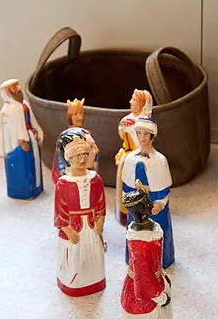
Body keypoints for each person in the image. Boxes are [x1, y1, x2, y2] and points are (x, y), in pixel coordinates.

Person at [120, 182, 173, 319]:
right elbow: (143, 277)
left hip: (155, 280)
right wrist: (159, 295)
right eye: (147, 203)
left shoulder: (149, 230)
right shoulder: (141, 242)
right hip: (145, 293)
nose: (151, 205)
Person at [54, 127, 106, 297]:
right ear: (69, 158)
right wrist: (68, 230)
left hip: (91, 225)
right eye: (77, 156)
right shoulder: (63, 183)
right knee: (75, 256)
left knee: (93, 254)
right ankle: (74, 283)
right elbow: (60, 211)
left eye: (85, 155)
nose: (82, 159)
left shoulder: (94, 179)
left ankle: (94, 280)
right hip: (74, 227)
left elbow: (100, 202)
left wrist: (100, 220)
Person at [121, 117, 174, 269]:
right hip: (136, 203)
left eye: (145, 134)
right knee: (135, 230)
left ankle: (161, 260)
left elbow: (163, 188)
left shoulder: (160, 160)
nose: (142, 138)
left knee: (158, 229)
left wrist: (159, 203)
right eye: (139, 133)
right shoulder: (130, 158)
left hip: (154, 201)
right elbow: (126, 185)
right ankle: (134, 259)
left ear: (152, 136)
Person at [0, 79, 44, 200]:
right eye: (14, 88)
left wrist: (36, 131)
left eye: (18, 85)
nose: (18, 89)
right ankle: (23, 191)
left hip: (30, 137)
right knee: (22, 166)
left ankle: (36, 188)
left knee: (33, 163)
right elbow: (11, 129)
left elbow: (31, 120)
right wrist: (21, 141)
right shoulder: (9, 110)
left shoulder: (23, 105)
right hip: (19, 144)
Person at [115, 90, 153, 226]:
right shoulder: (125, 121)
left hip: (141, 155)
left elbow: (149, 105)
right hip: (128, 156)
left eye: (134, 100)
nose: (130, 102)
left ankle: (145, 211)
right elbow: (124, 141)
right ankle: (125, 213)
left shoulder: (144, 119)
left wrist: (146, 95)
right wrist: (122, 151)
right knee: (124, 184)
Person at [51, 99, 99, 184]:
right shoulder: (66, 137)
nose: (79, 117)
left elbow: (95, 152)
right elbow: (61, 158)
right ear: (70, 116)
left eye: (81, 113)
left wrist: (94, 162)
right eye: (75, 114)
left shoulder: (87, 134)